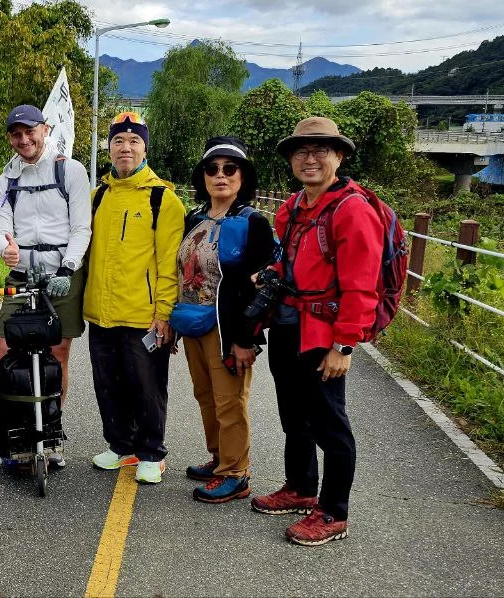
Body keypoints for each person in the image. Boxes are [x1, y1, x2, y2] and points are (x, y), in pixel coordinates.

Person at [251, 116, 381, 546]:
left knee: (330, 424)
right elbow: (289, 262)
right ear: (291, 160)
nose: (309, 158)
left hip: (324, 333)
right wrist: (269, 273)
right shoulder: (295, 207)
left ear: (339, 156)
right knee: (294, 416)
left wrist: (344, 345)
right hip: (288, 324)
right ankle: (301, 488)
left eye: (320, 150)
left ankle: (333, 511)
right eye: (301, 151)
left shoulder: (352, 211)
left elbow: (363, 286)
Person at [0, 105, 91, 474]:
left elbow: (82, 228)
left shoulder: (70, 170)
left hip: (64, 275)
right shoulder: (6, 179)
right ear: (10, 137)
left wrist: (68, 266)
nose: (24, 139)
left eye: (30, 131)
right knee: (1, 354)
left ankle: (50, 434)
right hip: (23, 277)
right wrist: (5, 248)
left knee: (57, 354)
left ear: (45, 129)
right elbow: (1, 227)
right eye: (16, 134)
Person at [172, 137, 275, 503]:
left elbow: (261, 290)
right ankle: (219, 458)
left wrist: (245, 339)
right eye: (212, 169)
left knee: (230, 400)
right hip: (193, 324)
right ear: (202, 176)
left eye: (229, 169)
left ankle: (236, 472)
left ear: (242, 176)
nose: (220, 175)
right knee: (206, 396)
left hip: (227, 329)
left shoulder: (254, 223)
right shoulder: (194, 217)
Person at [85, 111, 185, 485]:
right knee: (107, 383)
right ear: (109, 147)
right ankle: (120, 445)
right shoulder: (99, 196)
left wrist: (164, 314)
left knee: (147, 384)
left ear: (145, 147)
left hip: (144, 313)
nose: (125, 148)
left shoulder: (163, 199)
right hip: (101, 311)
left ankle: (151, 452)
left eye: (134, 141)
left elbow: (168, 264)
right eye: (118, 141)